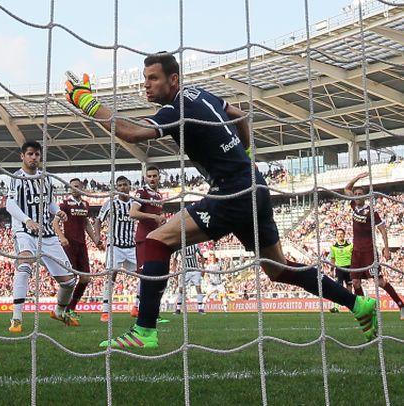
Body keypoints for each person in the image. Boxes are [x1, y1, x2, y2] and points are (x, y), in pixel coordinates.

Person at [65, 52, 378, 348]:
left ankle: (144, 330)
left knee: (157, 242)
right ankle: (358, 303)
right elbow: (238, 114)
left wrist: (87, 103)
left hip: (232, 192)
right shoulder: (201, 95)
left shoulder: (176, 109)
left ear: (173, 80)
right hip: (255, 186)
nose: (146, 84)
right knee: (279, 270)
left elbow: (131, 132)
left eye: (153, 78)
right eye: (145, 78)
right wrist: (246, 154)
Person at [6, 140, 78, 333]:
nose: (34, 157)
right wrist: (27, 220)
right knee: (24, 265)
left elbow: (49, 203)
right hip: (25, 232)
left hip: (47, 234)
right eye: (30, 154)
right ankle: (16, 319)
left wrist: (58, 212)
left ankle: (59, 311)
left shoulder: (46, 178)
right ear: (22, 156)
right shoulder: (16, 177)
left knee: (69, 281)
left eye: (37, 154)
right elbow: (10, 204)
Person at [344, 173, 404, 319]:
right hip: (356, 252)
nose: (357, 195)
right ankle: (366, 310)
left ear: (365, 197)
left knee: (380, 282)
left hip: (369, 252)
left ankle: (401, 305)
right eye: (356, 193)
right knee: (356, 283)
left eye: (360, 194)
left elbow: (382, 229)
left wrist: (387, 248)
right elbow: (346, 188)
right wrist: (357, 177)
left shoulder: (371, 211)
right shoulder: (353, 206)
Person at [53, 178, 103, 320]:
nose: (75, 188)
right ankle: (62, 308)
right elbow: (55, 222)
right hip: (69, 245)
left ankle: (70, 308)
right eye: (73, 186)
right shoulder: (64, 204)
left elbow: (86, 223)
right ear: (69, 188)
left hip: (82, 245)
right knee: (71, 278)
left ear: (82, 188)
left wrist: (96, 241)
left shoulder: (85, 205)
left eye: (78, 186)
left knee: (85, 278)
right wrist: (62, 237)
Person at [94, 176, 137, 322]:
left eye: (125, 184)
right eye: (120, 185)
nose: (123, 187)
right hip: (115, 245)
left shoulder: (136, 203)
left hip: (132, 246)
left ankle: (136, 307)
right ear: (116, 188)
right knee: (111, 274)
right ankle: (105, 311)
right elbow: (98, 220)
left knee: (144, 274)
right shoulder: (111, 203)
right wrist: (97, 237)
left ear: (130, 186)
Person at [130, 166, 167, 318]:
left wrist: (161, 222)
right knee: (146, 274)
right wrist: (154, 217)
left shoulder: (159, 196)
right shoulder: (141, 192)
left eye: (154, 176)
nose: (152, 178)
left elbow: (156, 217)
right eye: (149, 176)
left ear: (159, 178)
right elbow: (133, 213)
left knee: (156, 274)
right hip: (144, 239)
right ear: (145, 178)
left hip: (155, 238)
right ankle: (137, 307)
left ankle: (150, 310)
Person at [173, 244, 205, 314]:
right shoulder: (179, 246)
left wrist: (203, 268)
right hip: (185, 271)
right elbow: (175, 259)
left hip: (195, 270)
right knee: (181, 289)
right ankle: (178, 309)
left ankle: (200, 309)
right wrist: (174, 270)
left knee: (198, 288)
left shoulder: (195, 246)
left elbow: (201, 256)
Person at [328, 228, 353, 313]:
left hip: (349, 267)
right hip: (339, 268)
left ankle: (350, 306)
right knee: (338, 287)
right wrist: (331, 269)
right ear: (336, 236)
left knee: (349, 286)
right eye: (338, 234)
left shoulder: (350, 245)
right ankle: (336, 307)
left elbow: (354, 256)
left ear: (344, 235)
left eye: (341, 233)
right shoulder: (333, 247)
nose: (340, 235)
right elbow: (332, 259)